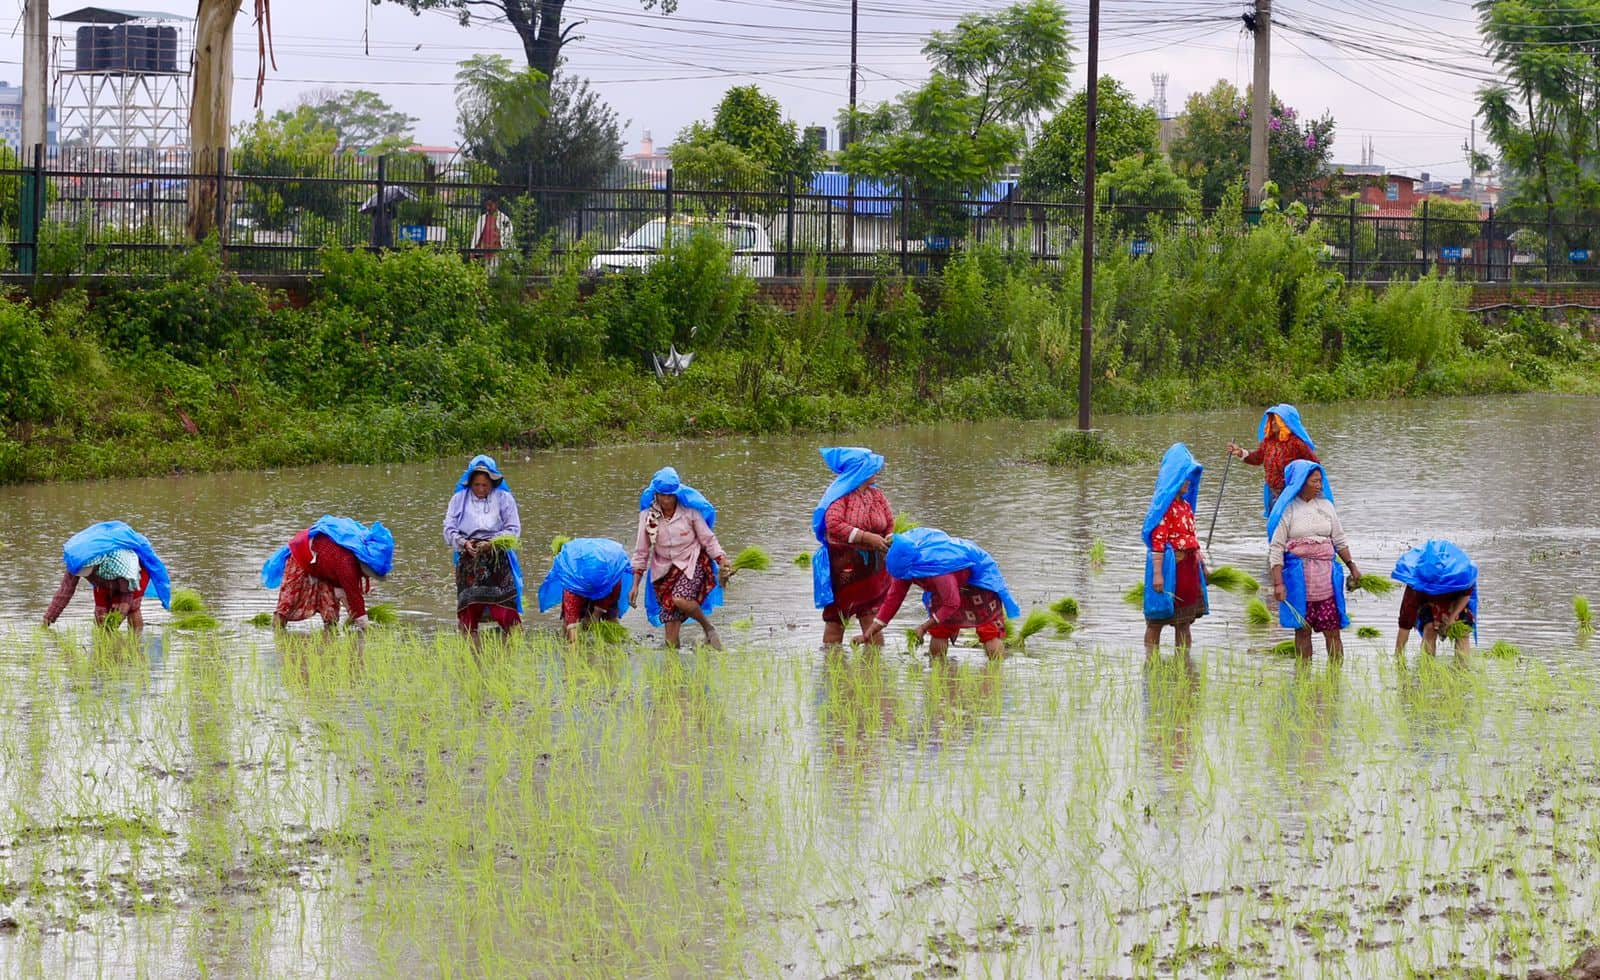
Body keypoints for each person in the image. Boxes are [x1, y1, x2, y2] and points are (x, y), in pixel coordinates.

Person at [853, 527, 1021, 660]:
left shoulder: (939, 569)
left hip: (977, 579)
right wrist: (867, 635)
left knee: (988, 629)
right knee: (941, 628)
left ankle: (994, 677)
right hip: (947, 586)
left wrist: (923, 627)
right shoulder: (906, 565)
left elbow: (952, 603)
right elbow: (892, 602)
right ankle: (939, 675)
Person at [1267, 461, 1364, 658]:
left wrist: (1352, 566)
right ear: (1301, 482)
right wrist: (1278, 583)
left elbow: (1339, 539)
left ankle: (1335, 679)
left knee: (1332, 631)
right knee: (1302, 631)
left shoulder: (1326, 506)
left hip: (1326, 580)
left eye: (1320, 481)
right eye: (1314, 481)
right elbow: (1276, 548)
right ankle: (1304, 678)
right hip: (1298, 581)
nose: (1319, 485)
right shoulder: (1287, 509)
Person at [629, 467, 728, 649]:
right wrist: (635, 584)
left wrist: (721, 559)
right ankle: (675, 674)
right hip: (663, 572)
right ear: (656, 495)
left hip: (692, 562)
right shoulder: (649, 517)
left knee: (680, 599)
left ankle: (708, 628)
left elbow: (708, 539)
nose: (666, 500)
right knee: (671, 640)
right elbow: (641, 551)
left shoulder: (689, 511)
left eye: (670, 496)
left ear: (677, 494)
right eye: (662, 496)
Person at [811, 447, 894, 648]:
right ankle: (832, 664)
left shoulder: (876, 495)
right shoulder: (841, 496)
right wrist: (866, 537)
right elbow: (834, 524)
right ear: (860, 471)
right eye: (872, 467)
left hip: (873, 565)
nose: (877, 471)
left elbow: (889, 521)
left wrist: (889, 537)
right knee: (837, 617)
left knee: (872, 613)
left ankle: (874, 668)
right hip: (844, 565)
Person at [261, 517, 395, 632]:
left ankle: (329, 642)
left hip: (325, 565)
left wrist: (355, 617)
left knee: (331, 613)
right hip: (302, 556)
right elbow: (353, 594)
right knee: (287, 605)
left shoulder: (357, 553)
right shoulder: (347, 563)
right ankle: (278, 636)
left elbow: (348, 594)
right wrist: (365, 626)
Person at [443, 454, 523, 638]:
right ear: (469, 482)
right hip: (469, 558)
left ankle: (512, 650)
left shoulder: (504, 498)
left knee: (506, 611)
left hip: (496, 557)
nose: (480, 489)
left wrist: (492, 543)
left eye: (485, 485)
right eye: (476, 485)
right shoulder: (458, 499)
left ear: (492, 483)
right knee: (468, 611)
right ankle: (472, 653)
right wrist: (463, 542)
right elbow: (449, 528)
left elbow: (513, 528)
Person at [43, 521, 173, 633]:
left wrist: (113, 624)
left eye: (89, 573)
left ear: (96, 565)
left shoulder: (122, 565)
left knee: (132, 608)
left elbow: (126, 598)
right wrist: (48, 618)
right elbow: (64, 592)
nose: (87, 577)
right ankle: (103, 645)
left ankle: (136, 641)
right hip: (104, 580)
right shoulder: (76, 562)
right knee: (100, 611)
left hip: (134, 573)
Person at [1142, 444, 1210, 656]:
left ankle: (1184, 665)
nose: (1188, 482)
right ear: (1174, 479)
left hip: (1188, 568)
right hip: (1171, 568)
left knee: (1184, 622)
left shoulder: (1186, 507)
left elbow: (1193, 538)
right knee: (1157, 621)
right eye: (1184, 477)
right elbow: (1158, 542)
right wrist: (1158, 574)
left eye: (1189, 477)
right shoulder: (1164, 509)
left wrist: (1203, 566)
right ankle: (1150, 663)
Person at [1228, 403, 1321, 517]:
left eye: (1276, 420)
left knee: (1289, 525)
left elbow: (1314, 465)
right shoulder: (1268, 442)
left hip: (1291, 494)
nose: (1272, 423)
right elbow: (1257, 458)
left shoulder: (1296, 443)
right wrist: (1240, 452)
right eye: (1271, 420)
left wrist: (1303, 486)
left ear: (1285, 422)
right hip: (1272, 493)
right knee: (1275, 525)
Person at [1391, 540, 1478, 656]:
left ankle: (1462, 671)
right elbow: (1404, 626)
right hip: (1429, 602)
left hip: (1455, 597)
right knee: (1430, 629)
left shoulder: (1459, 575)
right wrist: (1398, 659)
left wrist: (1452, 618)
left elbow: (1466, 594)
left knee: (1462, 631)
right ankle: (1428, 668)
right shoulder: (1415, 589)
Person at [537, 538, 634, 643]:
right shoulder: (572, 584)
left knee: (610, 621)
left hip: (605, 578)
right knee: (569, 626)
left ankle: (617, 644)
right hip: (581, 580)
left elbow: (612, 596)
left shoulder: (611, 576)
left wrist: (596, 614)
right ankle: (568, 645)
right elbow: (571, 617)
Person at [470, 194, 514, 273]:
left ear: (496, 204)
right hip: (485, 253)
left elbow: (509, 236)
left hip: (498, 253)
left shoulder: (504, 219)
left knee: (495, 274)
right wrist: (473, 250)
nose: (488, 208)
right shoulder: (482, 219)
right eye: (487, 205)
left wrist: (508, 255)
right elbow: (476, 235)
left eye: (490, 205)